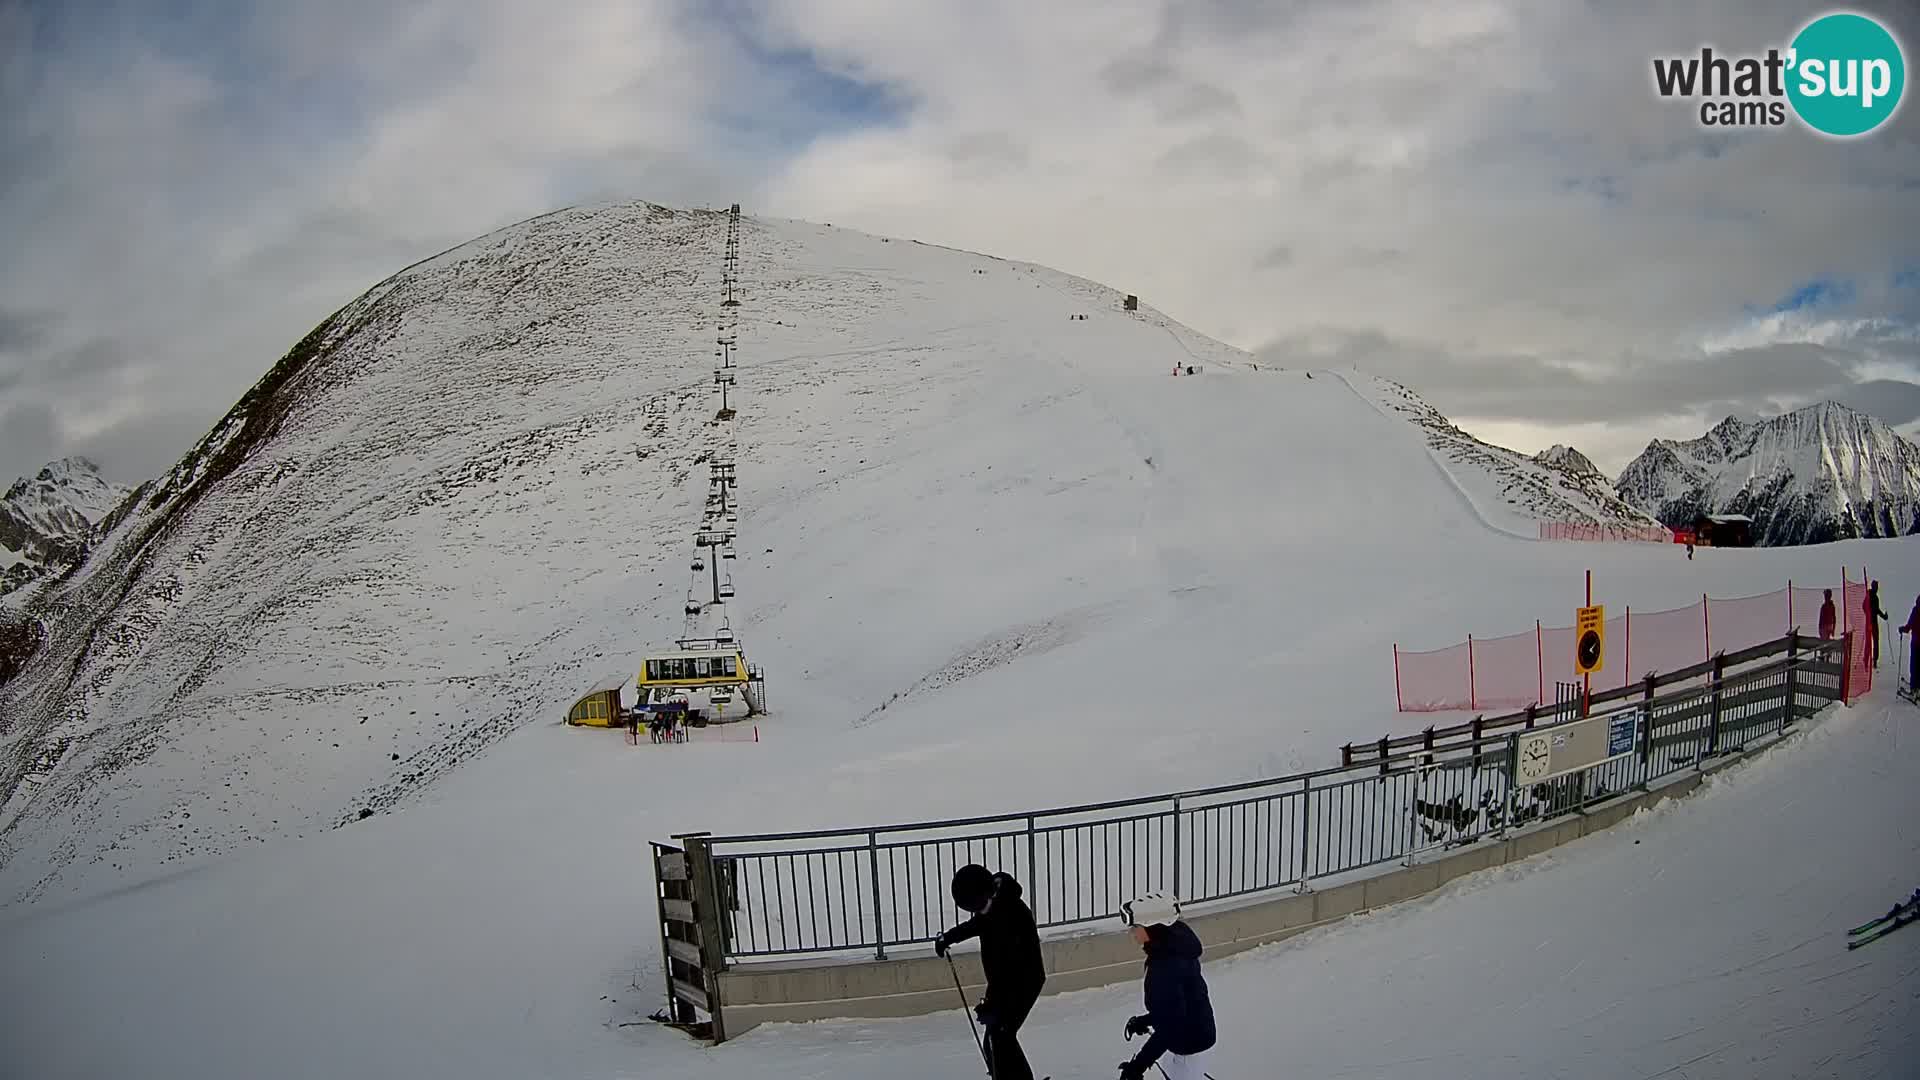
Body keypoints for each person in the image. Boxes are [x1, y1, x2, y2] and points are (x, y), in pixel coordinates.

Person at [935, 865, 1045, 1080]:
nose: (975, 911)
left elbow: (1013, 968)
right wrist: (948, 937)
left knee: (1001, 1037)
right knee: (996, 1040)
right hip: (1004, 982)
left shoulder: (1012, 914)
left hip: (1024, 982)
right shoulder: (991, 904)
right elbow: (976, 925)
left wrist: (994, 1004)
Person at [1116, 893, 1216, 1080]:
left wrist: (1137, 1067)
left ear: (1153, 928)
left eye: (1136, 927)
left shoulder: (1165, 966)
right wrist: (1147, 1020)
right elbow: (1178, 1004)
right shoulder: (1177, 947)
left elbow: (1171, 1027)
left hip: (1188, 1044)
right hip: (1195, 1030)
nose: (1132, 932)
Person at [1865, 581, 1888, 668]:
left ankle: (1873, 660)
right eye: (1876, 587)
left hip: (1872, 622)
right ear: (1873, 587)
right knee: (1871, 642)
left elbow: (1877, 610)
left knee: (1874, 641)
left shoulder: (1873, 596)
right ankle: (1868, 660)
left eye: (1877, 587)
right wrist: (1869, 616)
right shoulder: (1869, 596)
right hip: (1871, 623)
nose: (1877, 588)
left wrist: (1884, 616)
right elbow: (1865, 607)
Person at [1901, 594, 1920, 692]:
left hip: (1916, 643)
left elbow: (1908, 627)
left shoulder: (1915, 611)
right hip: (1916, 642)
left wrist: (1902, 629)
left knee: (1914, 665)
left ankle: (1914, 687)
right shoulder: (1915, 611)